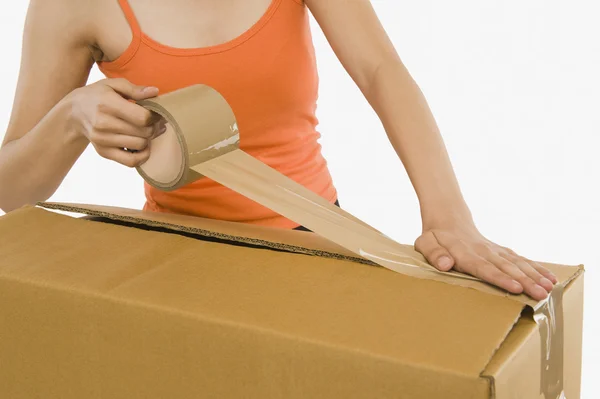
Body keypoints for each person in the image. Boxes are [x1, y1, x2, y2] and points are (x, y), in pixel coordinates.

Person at [0, 0, 556, 300]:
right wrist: (72, 115)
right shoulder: (69, 6)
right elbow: (12, 191)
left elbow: (380, 69)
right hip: (174, 263)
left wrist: (449, 217)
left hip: (316, 246)